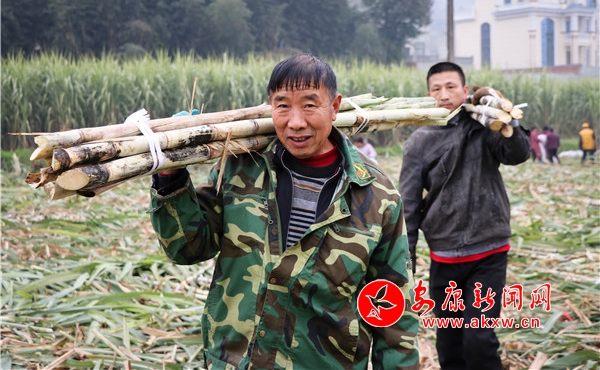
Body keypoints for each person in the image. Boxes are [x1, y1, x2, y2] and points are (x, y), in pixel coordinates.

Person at [149, 54, 419, 369]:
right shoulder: (241, 167)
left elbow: (392, 312)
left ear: (334, 107)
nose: (296, 122)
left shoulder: (376, 195)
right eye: (283, 106)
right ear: (270, 107)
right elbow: (187, 248)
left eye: (309, 105)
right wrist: (170, 175)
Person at [399, 62, 530, 370]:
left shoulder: (485, 125)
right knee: (449, 343)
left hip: (489, 251)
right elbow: (409, 204)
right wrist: (406, 260)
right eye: (436, 89)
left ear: (465, 90)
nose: (444, 94)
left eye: (451, 87)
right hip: (444, 257)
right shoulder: (419, 141)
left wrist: (504, 114)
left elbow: (518, 154)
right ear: (428, 95)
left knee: (479, 338)